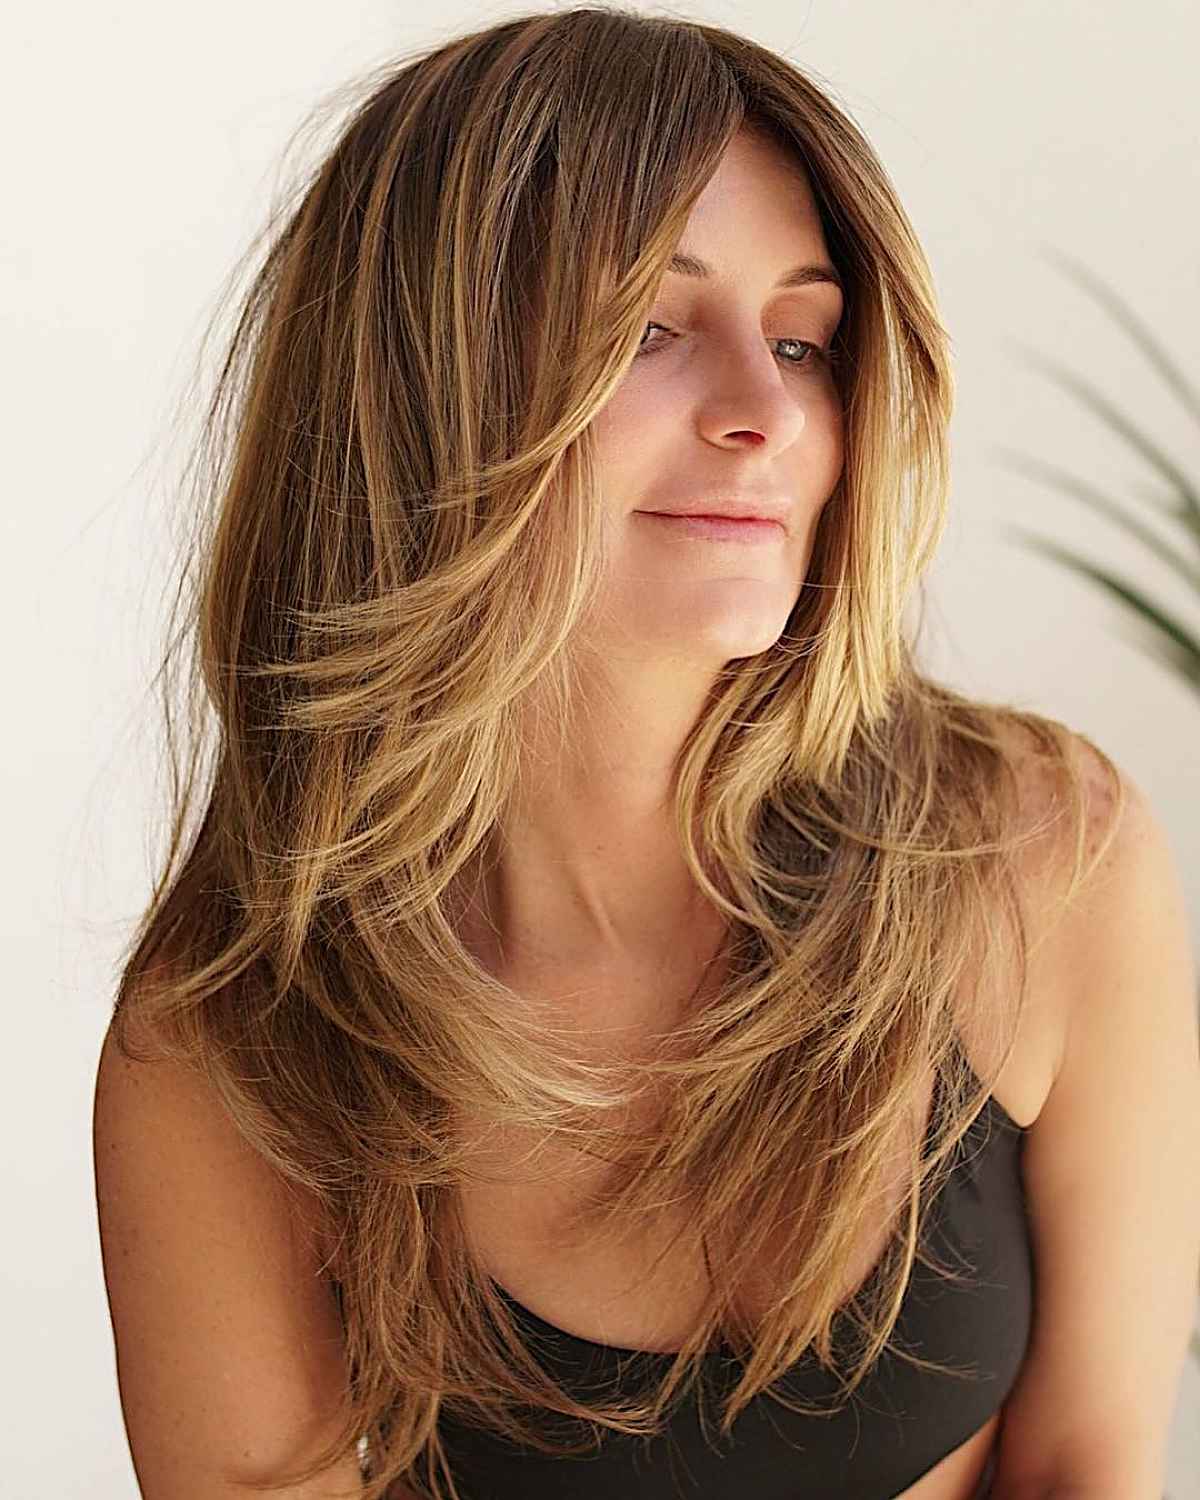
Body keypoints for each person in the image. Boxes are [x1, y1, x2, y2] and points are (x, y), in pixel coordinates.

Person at [92, 6, 1200, 1500]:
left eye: (804, 342)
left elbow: (1092, 1464)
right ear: (421, 395)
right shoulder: (236, 1036)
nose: (767, 412)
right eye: (648, 333)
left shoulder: (1042, 855)